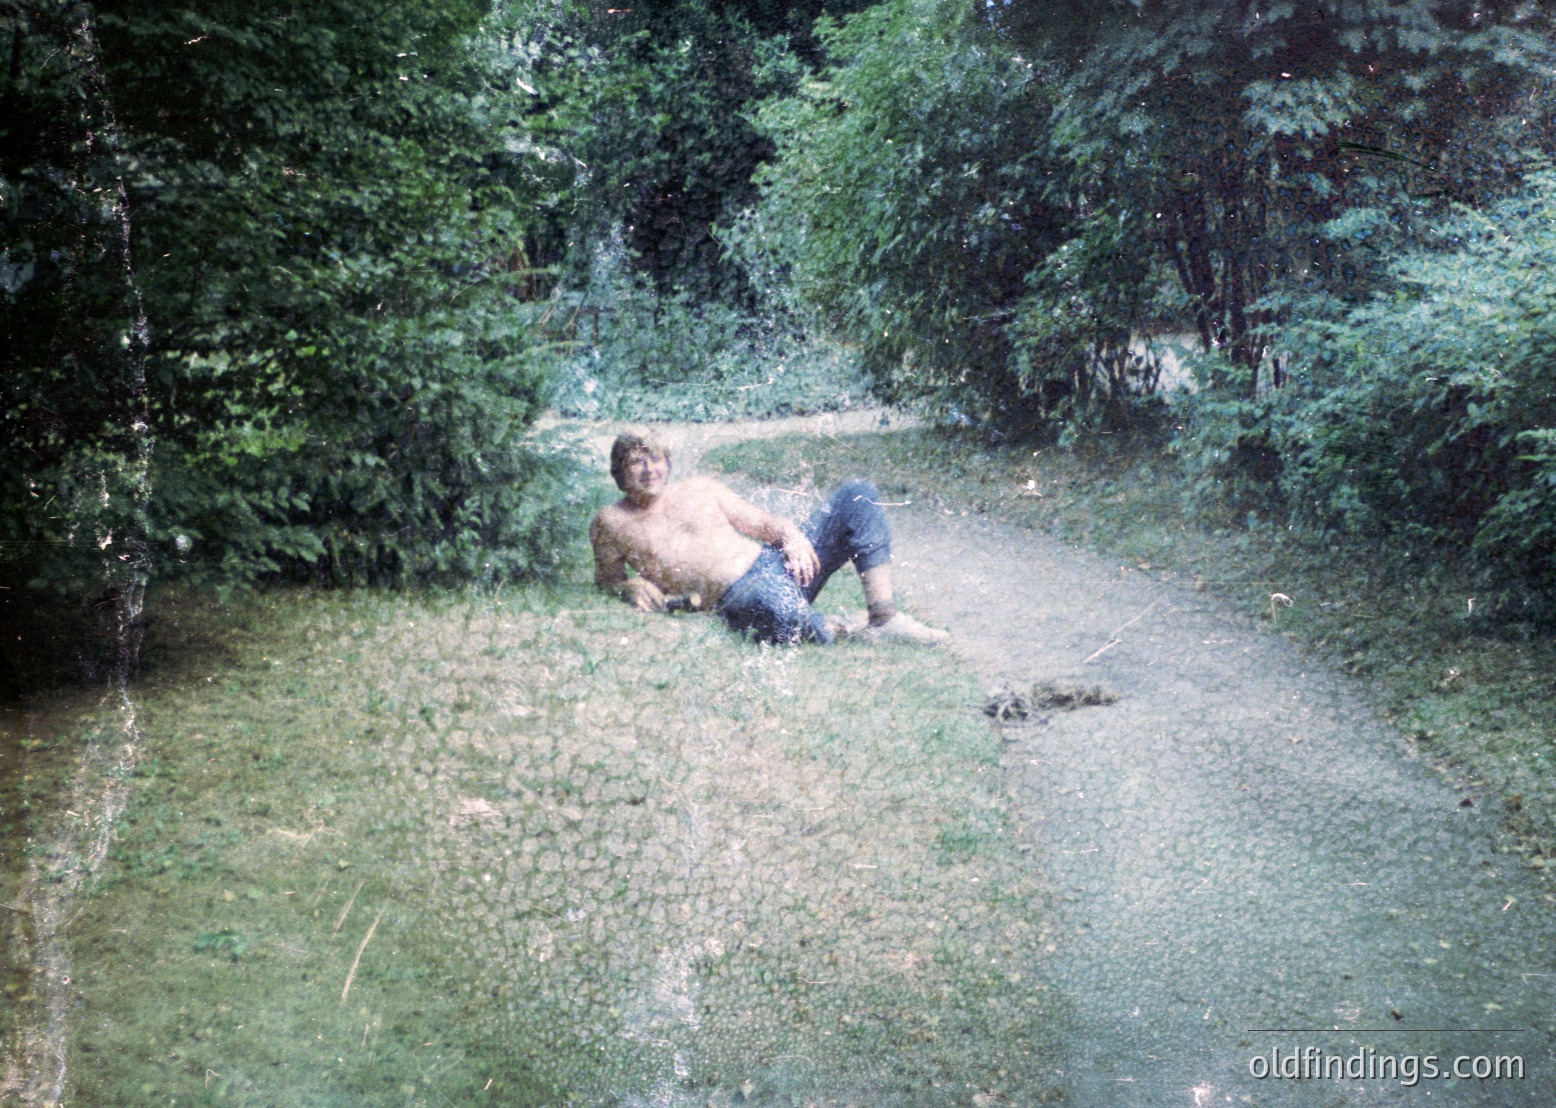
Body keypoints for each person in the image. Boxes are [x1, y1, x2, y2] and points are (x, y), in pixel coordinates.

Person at [590, 430, 949, 646]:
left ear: (667, 462)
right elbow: (607, 580)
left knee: (858, 493)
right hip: (738, 596)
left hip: (775, 564)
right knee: (775, 607)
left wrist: (791, 537)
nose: (649, 469)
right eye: (637, 462)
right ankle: (849, 629)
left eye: (655, 458)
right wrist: (628, 587)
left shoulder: (700, 488)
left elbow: (762, 524)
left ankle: (884, 618)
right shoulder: (611, 522)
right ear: (620, 472)